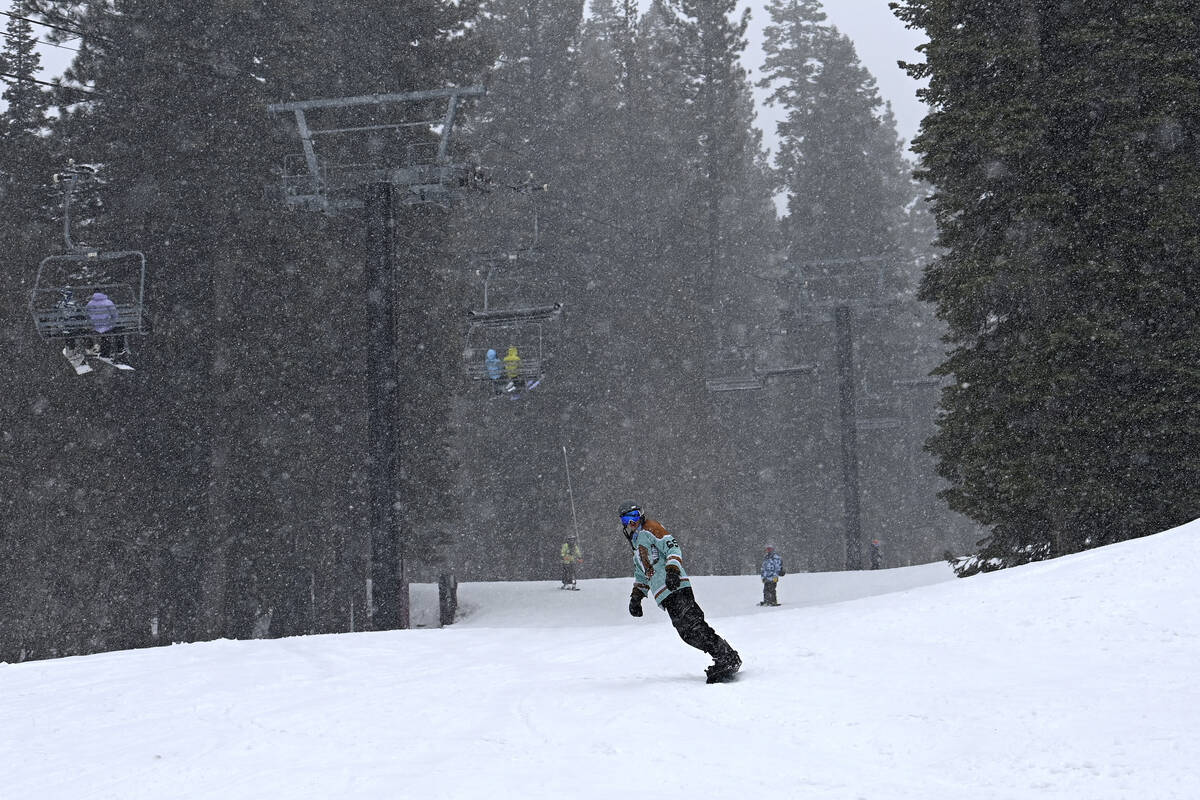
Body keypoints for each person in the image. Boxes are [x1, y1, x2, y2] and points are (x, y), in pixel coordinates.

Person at [619, 502, 741, 683]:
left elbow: (672, 547)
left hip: (676, 586)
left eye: (634, 516)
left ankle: (727, 657)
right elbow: (641, 574)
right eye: (626, 519)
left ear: (641, 515)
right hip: (664, 593)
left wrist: (673, 570)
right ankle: (723, 656)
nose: (631, 522)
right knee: (686, 633)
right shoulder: (636, 546)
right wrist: (636, 597)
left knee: (693, 624)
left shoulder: (651, 528)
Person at [85, 290, 129, 362]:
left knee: (105, 334)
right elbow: (114, 315)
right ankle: (119, 349)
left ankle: (105, 353)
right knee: (119, 328)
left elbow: (87, 316)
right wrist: (110, 323)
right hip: (107, 327)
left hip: (96, 327)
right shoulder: (108, 302)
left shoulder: (89, 303)